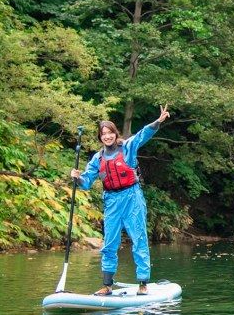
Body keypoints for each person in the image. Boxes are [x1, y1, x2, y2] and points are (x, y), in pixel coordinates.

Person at [70, 105, 170, 296]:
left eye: (110, 133)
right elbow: (86, 182)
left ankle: (143, 283)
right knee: (109, 243)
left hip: (132, 197)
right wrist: (77, 177)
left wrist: (158, 122)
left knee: (138, 238)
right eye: (103, 134)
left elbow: (142, 135)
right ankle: (107, 285)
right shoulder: (97, 159)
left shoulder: (128, 148)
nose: (107, 136)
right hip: (112, 201)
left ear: (115, 134)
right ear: (100, 137)